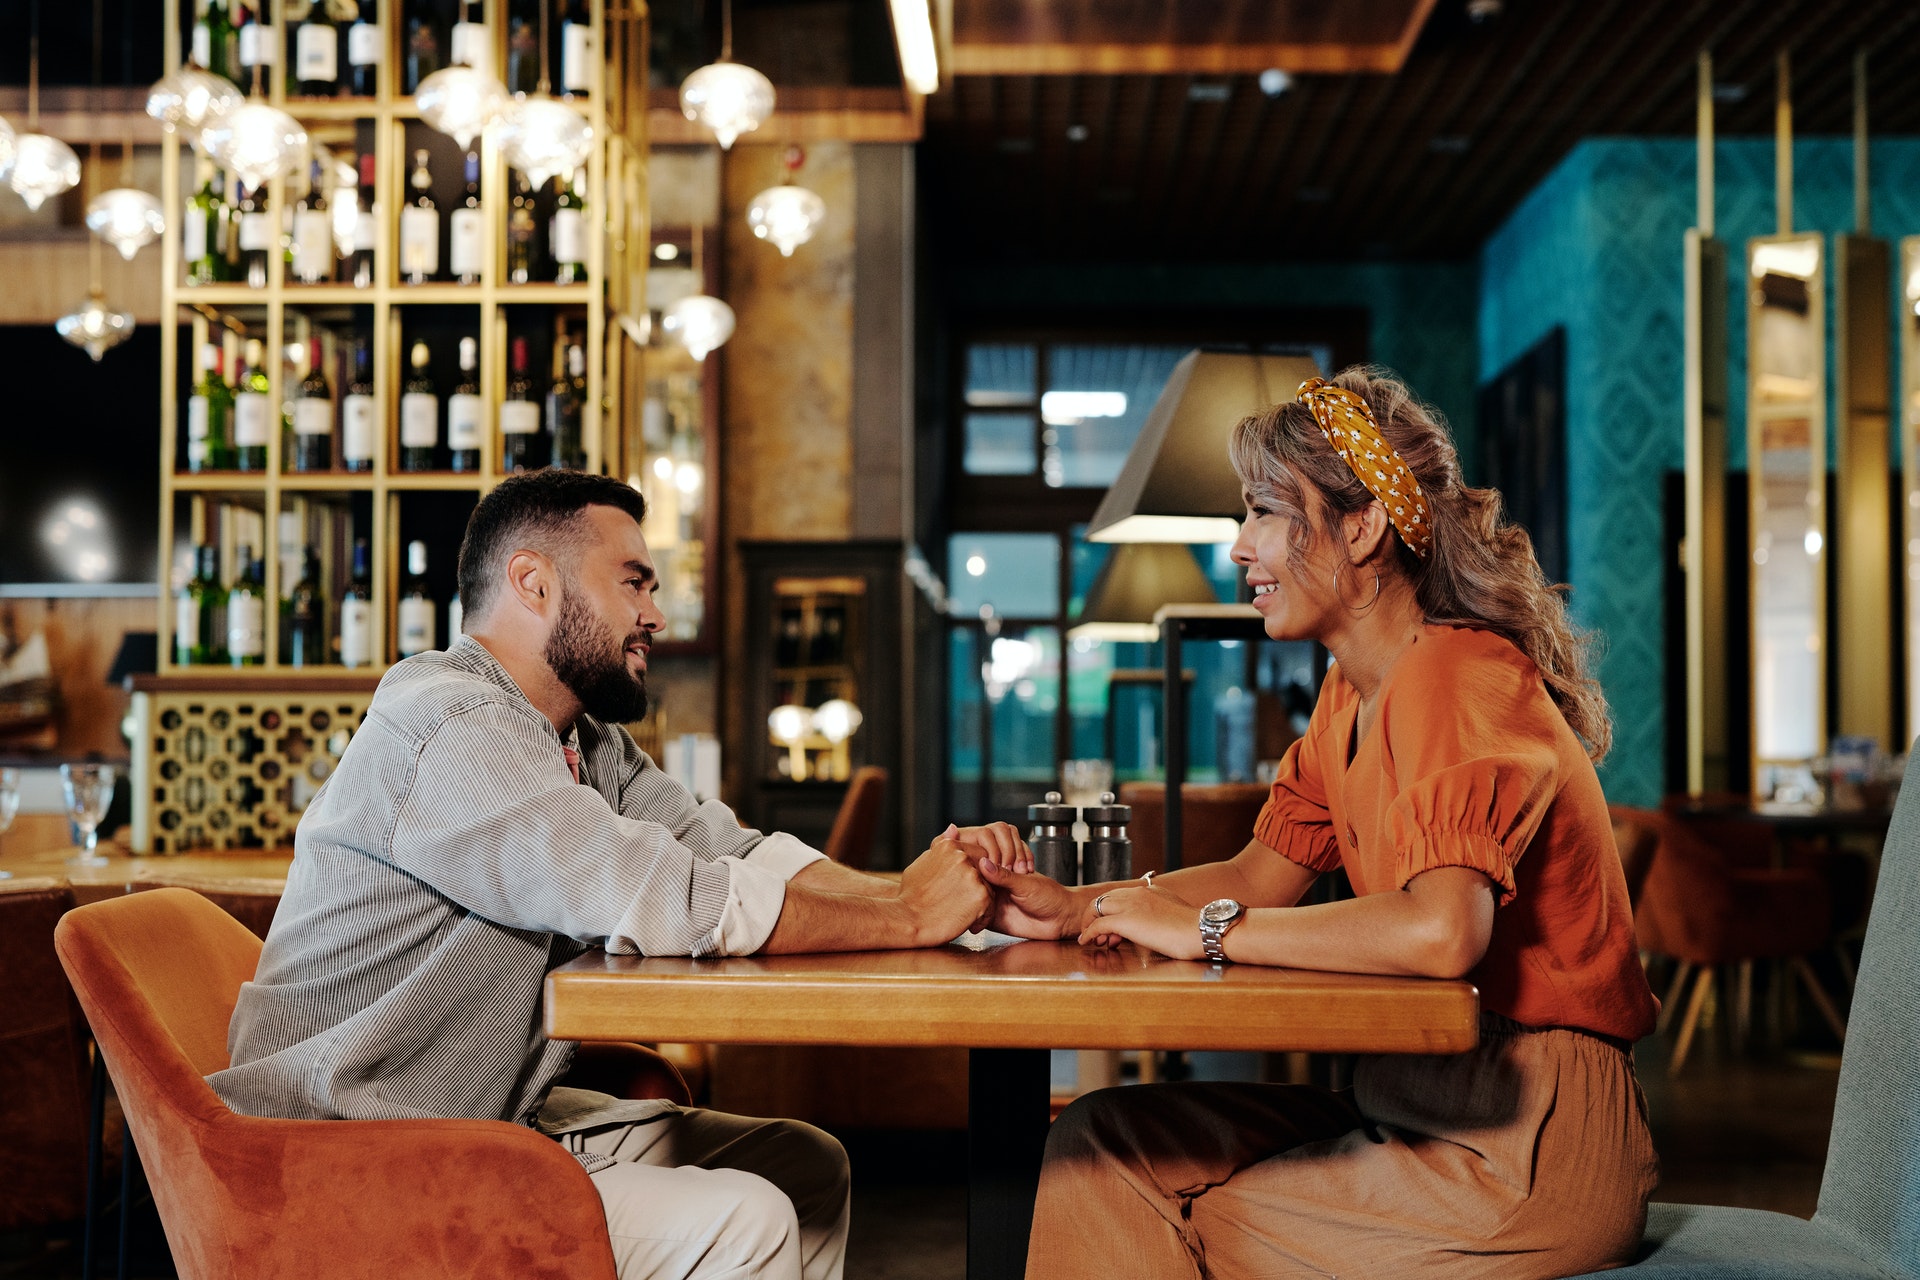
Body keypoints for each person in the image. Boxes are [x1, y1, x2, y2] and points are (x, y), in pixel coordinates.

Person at [211, 470, 1022, 1280]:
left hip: (481, 1123)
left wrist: (943, 898)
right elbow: (667, 894)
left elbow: (729, 852)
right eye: (632, 582)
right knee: (747, 1222)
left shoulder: (581, 741)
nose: (654, 615)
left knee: (804, 1166)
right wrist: (911, 919)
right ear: (533, 582)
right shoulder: (451, 723)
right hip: (335, 1157)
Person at [981, 367, 1659, 1279]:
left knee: (1181, 1218)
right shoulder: (1351, 694)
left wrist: (1204, 934)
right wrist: (1075, 907)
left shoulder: (1454, 675)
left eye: (1263, 512)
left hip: (1529, 1142)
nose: (1238, 548)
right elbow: (1257, 877)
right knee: (1104, 1142)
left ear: (1363, 525)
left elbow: (1443, 928)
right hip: (1413, 1102)